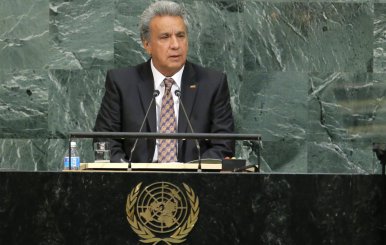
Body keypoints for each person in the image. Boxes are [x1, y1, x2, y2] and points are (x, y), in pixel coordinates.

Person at [94, 1, 234, 163]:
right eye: (165, 37)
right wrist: (128, 173)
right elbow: (104, 141)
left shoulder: (212, 84)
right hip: (133, 183)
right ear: (147, 44)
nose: (175, 45)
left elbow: (224, 146)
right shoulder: (121, 83)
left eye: (180, 36)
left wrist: (190, 171)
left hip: (195, 181)